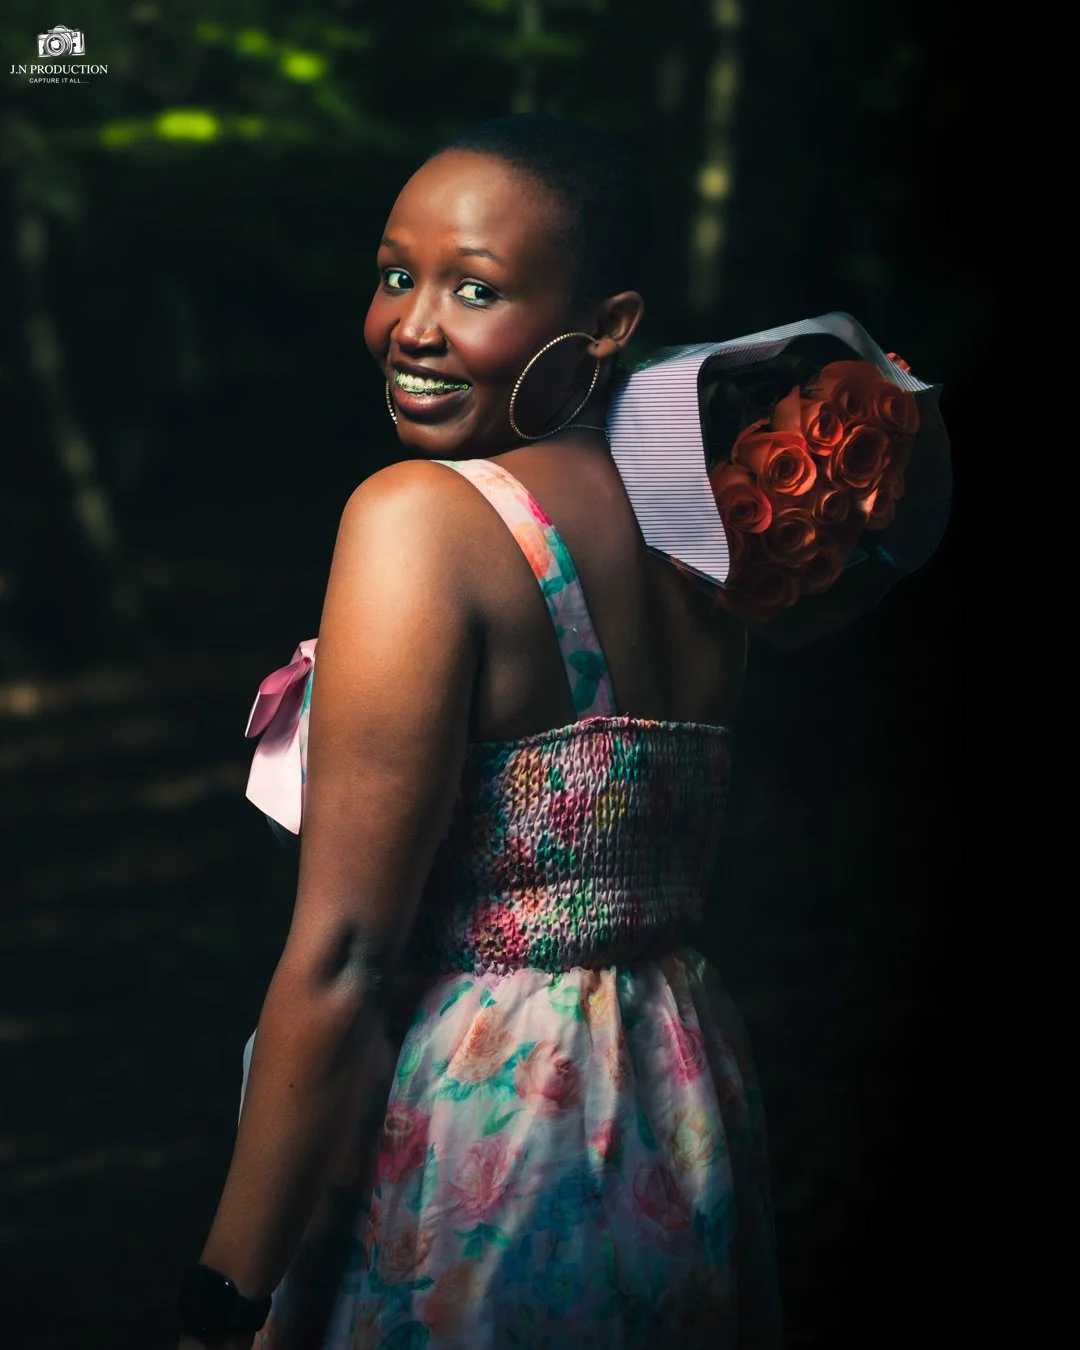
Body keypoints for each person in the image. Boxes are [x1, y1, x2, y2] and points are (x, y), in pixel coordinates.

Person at [176, 110, 898, 1350]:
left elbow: (345, 958)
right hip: (675, 1098)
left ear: (606, 324)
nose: (412, 324)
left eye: (476, 288)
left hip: (478, 1132)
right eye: (399, 275)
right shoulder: (705, 528)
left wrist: (222, 1302)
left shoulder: (420, 517)